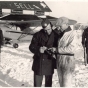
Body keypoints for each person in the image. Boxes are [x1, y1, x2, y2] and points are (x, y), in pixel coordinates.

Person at [29, 19, 62, 87]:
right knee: (37, 84)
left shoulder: (56, 35)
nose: (47, 31)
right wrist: (38, 49)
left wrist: (55, 51)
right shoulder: (37, 35)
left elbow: (59, 48)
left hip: (49, 61)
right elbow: (31, 47)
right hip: (39, 62)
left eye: (49, 29)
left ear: (51, 26)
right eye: (45, 30)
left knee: (48, 84)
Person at [55, 17, 77, 87]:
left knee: (66, 84)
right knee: (61, 84)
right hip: (60, 61)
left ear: (66, 24)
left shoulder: (73, 34)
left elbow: (72, 48)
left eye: (60, 26)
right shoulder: (60, 34)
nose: (58, 28)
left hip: (68, 62)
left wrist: (57, 50)